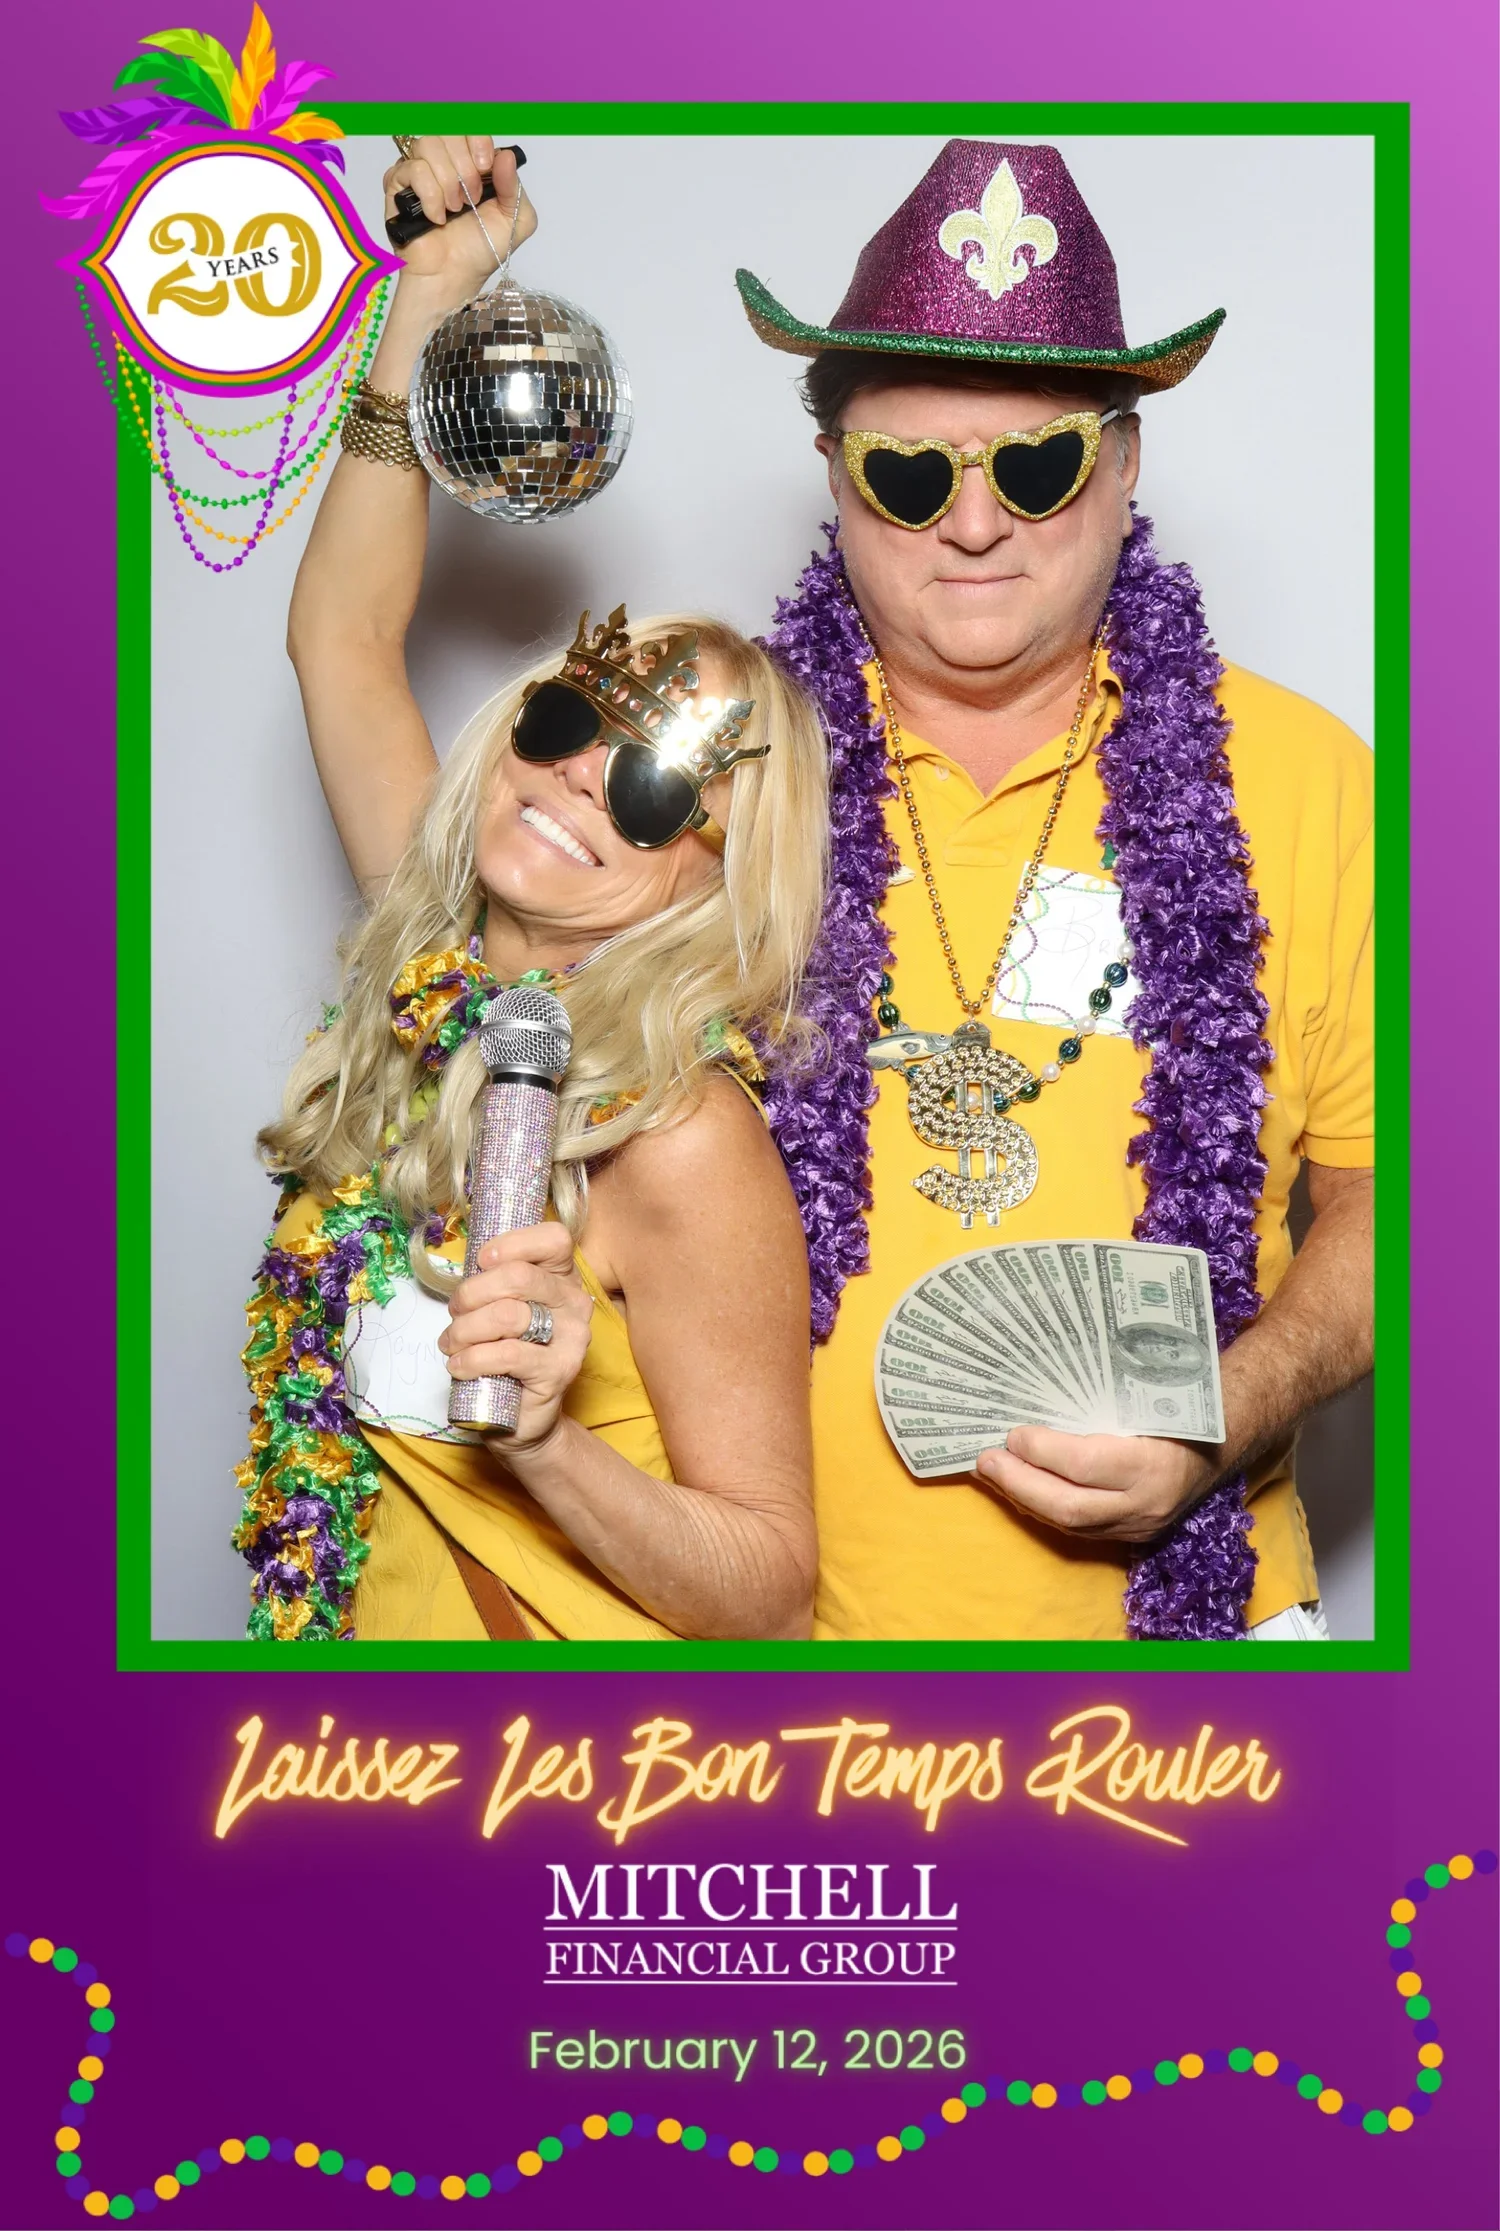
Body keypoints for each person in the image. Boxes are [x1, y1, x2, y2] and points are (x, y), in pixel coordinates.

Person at [339, 132, 1374, 1644]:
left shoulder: (1304, 775)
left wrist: (1237, 1403)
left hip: (1199, 1646)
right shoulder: (720, 782)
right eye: (908, 471)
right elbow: (360, 681)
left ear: (1126, 461)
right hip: (781, 1685)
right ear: (832, 472)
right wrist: (426, 302)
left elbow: (1401, 1198)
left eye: (1039, 463)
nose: (975, 523)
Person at [231, 149, 827, 1643]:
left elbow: (768, 1589)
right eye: (568, 723)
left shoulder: (675, 1133)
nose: (574, 782)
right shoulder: (432, 970)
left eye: (650, 792)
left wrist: (545, 1441)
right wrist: (429, 295)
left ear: (709, 877)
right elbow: (341, 639)